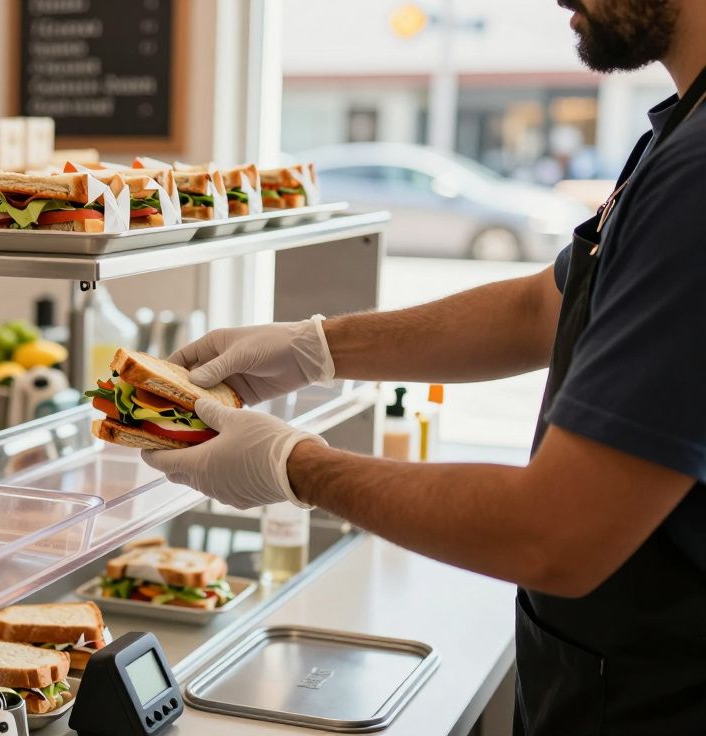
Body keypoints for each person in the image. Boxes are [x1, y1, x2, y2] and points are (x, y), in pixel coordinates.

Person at [143, 0, 706, 732]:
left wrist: (294, 467)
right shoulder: (676, 138)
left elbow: (555, 534)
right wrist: (316, 346)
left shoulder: (699, 177)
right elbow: (545, 307)